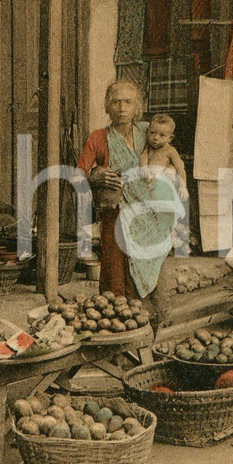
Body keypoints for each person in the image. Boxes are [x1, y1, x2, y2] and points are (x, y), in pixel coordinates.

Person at [77, 79, 182, 327]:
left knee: (153, 275)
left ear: (137, 107)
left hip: (151, 216)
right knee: (116, 277)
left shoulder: (149, 131)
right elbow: (77, 174)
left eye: (128, 102)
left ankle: (150, 331)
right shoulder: (99, 137)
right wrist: (94, 176)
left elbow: (170, 158)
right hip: (116, 216)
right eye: (116, 102)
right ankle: (117, 333)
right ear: (106, 107)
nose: (122, 108)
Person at [140, 113, 189, 202]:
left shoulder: (170, 150)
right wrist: (144, 167)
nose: (155, 137)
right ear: (147, 132)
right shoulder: (148, 148)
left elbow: (180, 168)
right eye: (152, 132)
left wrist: (183, 186)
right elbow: (143, 156)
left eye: (162, 135)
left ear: (170, 138)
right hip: (150, 184)